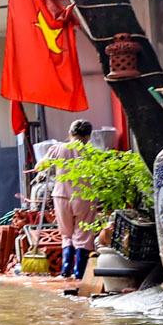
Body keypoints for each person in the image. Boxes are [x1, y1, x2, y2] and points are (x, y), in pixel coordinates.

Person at [54, 118, 99, 288]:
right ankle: (79, 273)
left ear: (70, 133)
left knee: (66, 234)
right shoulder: (91, 152)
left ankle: (65, 271)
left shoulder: (58, 148)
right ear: (88, 136)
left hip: (61, 196)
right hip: (84, 197)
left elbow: (40, 165)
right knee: (83, 234)